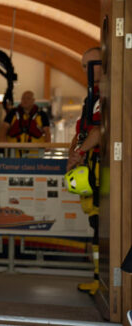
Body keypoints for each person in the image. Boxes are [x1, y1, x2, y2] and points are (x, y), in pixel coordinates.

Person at [66, 47, 102, 295]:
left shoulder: (109, 94)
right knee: (95, 222)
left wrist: (78, 154)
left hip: (101, 168)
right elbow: (82, 131)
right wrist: (72, 153)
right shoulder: (92, 96)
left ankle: (102, 279)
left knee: (101, 223)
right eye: (83, 66)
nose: (86, 71)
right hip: (89, 167)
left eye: (91, 64)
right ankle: (98, 277)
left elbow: (100, 131)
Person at [0, 91, 51, 156]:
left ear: (33, 100)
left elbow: (47, 132)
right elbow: (3, 129)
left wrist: (48, 144)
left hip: (34, 155)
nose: (25, 100)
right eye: (23, 98)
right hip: (14, 154)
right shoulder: (12, 113)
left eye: (28, 98)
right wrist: (3, 142)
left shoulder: (42, 114)